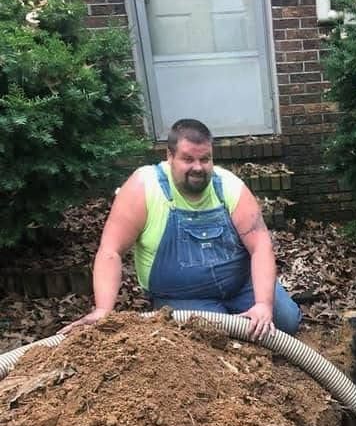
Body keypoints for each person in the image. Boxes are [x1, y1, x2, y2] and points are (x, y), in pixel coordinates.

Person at [61, 118, 301, 340]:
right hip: (183, 298)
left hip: (240, 286)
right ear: (170, 156)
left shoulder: (229, 186)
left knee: (286, 321)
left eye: (205, 159)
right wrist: (104, 309)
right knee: (210, 338)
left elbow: (260, 247)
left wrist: (262, 304)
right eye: (188, 159)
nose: (198, 167)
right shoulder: (144, 188)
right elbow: (110, 251)